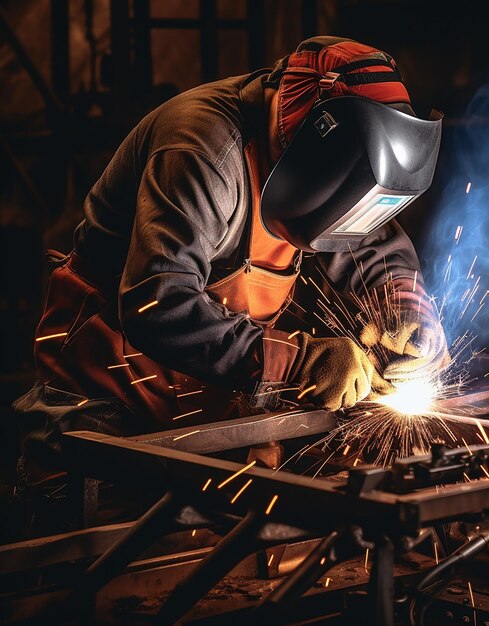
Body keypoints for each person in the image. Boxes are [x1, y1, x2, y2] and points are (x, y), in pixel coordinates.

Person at [14, 36, 448, 484]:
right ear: (306, 137)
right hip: (109, 398)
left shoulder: (336, 162)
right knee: (111, 546)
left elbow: (373, 249)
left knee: (238, 538)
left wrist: (408, 311)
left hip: (219, 390)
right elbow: (157, 303)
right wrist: (298, 361)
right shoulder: (201, 149)